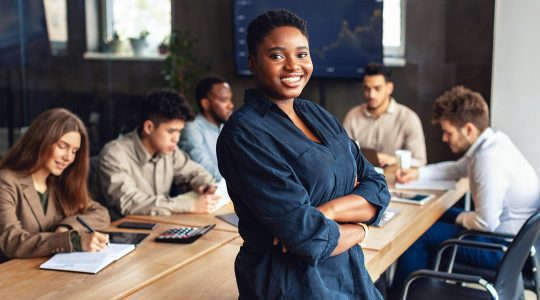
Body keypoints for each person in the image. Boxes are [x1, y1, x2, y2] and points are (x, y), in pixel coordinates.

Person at [217, 9, 390, 299]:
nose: (293, 66)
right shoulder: (243, 135)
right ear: (252, 63)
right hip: (292, 286)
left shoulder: (318, 114)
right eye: (276, 56)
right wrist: (361, 229)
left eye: (302, 54)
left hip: (351, 276)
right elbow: (307, 237)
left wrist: (328, 212)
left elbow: (378, 187)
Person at [393, 86, 540, 287]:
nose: (444, 138)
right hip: (515, 243)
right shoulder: (492, 142)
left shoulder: (488, 159)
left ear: (468, 129)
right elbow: (455, 169)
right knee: (442, 213)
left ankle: (407, 292)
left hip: (500, 248)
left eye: (448, 132)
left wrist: (459, 218)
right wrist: (416, 173)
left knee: (418, 235)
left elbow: (485, 223)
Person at [0, 109, 111, 262]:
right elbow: (11, 242)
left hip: (54, 272)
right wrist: (72, 241)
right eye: (62, 146)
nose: (68, 157)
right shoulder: (6, 181)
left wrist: (66, 227)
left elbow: (101, 214)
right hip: (14, 276)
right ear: (40, 140)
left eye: (74, 151)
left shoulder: (59, 182)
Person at [98, 88, 220, 217]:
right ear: (148, 127)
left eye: (179, 131)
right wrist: (190, 205)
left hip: (161, 225)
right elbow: (129, 202)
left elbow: (195, 172)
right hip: (125, 232)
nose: (176, 139)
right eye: (171, 131)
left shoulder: (169, 151)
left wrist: (207, 185)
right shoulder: (114, 154)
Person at [343, 63, 427, 166]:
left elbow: (419, 161)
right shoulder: (352, 116)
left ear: (389, 88)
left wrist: (394, 160)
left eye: (377, 88)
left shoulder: (408, 118)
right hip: (362, 179)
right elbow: (344, 155)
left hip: (396, 180)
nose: (371, 95)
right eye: (367, 88)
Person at [179, 77, 234, 181]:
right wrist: (241, 178)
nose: (231, 105)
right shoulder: (192, 129)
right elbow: (204, 170)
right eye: (224, 100)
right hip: (207, 192)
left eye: (230, 99)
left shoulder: (226, 126)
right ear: (206, 104)